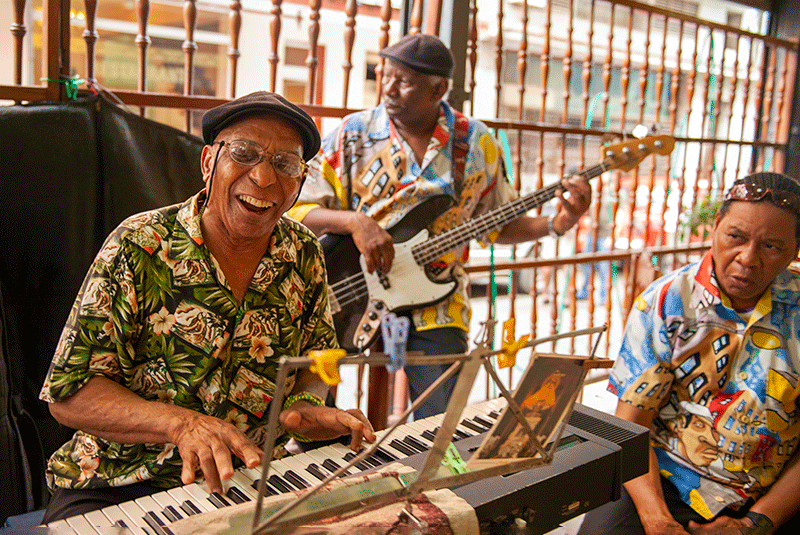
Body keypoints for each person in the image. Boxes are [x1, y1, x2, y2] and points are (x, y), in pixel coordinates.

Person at [38, 91, 376, 522]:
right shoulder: (139, 245)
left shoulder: (304, 252)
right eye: (244, 154)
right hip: (119, 485)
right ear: (207, 163)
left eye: (285, 164)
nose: (264, 178)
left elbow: (315, 359)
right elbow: (69, 396)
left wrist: (305, 405)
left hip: (249, 482)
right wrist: (181, 424)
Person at [288, 33, 591, 420]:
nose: (388, 88)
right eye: (385, 75)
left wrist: (558, 222)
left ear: (438, 89)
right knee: (308, 409)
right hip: (348, 286)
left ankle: (426, 456)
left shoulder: (475, 143)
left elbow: (498, 225)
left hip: (437, 301)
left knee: (441, 420)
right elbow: (298, 208)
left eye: (403, 81)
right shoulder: (353, 133)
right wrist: (354, 221)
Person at [578, 172, 800, 535]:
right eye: (735, 237)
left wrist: (752, 524)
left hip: (771, 490)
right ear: (715, 228)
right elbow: (631, 426)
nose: (747, 258)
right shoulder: (666, 301)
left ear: (795, 250)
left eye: (771, 246)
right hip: (666, 478)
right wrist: (658, 520)